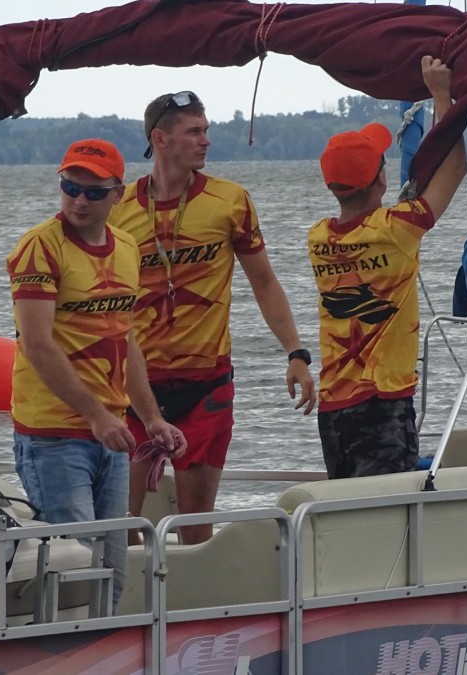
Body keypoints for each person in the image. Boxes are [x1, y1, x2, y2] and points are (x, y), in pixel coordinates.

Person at [110, 90, 316, 544]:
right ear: (160, 139)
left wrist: (296, 353)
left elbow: (265, 283)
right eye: (194, 132)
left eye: (206, 130)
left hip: (205, 385)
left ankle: (189, 593)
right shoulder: (117, 208)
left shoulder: (230, 201)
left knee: (194, 531)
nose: (206, 140)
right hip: (131, 385)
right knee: (119, 528)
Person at [7, 138, 185, 608]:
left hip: (110, 434)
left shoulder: (126, 247)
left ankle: (106, 643)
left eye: (93, 192)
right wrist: (95, 414)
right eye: (70, 188)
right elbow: (38, 344)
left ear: (117, 195)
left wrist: (151, 418)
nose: (79, 201)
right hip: (53, 435)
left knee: (114, 571)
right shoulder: (39, 247)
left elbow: (125, 339)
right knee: (74, 570)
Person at [307, 56, 467, 480]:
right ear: (381, 181)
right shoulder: (396, 229)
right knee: (387, 508)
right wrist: (441, 97)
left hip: (333, 406)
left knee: (348, 508)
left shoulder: (319, 238)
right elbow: (456, 168)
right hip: (382, 402)